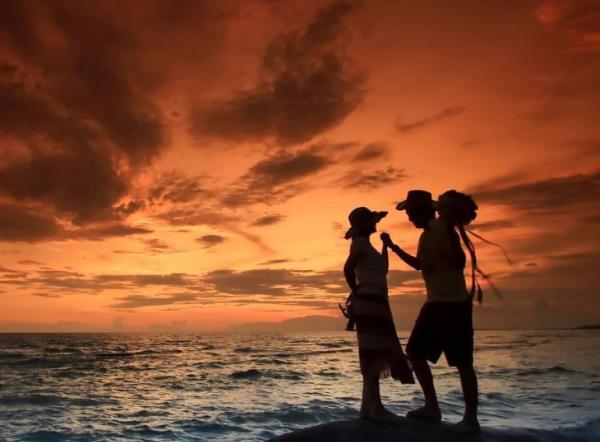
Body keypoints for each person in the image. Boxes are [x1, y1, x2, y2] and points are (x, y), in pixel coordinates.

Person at [382, 190, 480, 433]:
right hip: (450, 303)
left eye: (410, 213)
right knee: (456, 362)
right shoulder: (435, 232)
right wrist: (394, 247)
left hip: (445, 305)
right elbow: (427, 264)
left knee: (423, 354)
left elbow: (427, 263)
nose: (408, 218)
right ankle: (454, 414)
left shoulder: (436, 231)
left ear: (420, 212)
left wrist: (394, 248)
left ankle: (444, 411)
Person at [343, 206, 414, 422]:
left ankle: (368, 407)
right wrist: (356, 291)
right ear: (366, 225)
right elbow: (348, 268)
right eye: (372, 221)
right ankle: (375, 408)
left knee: (375, 349)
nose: (375, 224)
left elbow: (382, 269)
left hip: (375, 298)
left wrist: (385, 246)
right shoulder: (360, 243)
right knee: (375, 351)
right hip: (370, 300)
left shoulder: (366, 245)